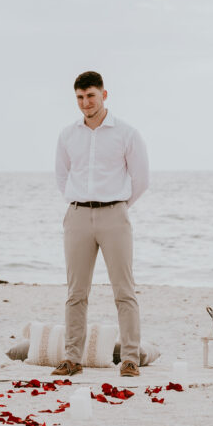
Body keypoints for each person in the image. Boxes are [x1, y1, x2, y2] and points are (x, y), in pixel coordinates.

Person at [54, 71, 149, 377]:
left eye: (91, 96)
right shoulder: (68, 135)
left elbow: (141, 179)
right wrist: (81, 203)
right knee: (75, 292)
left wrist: (118, 207)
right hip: (78, 216)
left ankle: (130, 358)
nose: (85, 103)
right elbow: (61, 176)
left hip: (114, 215)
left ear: (104, 95)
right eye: (80, 98)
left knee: (124, 290)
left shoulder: (127, 133)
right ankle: (72, 358)